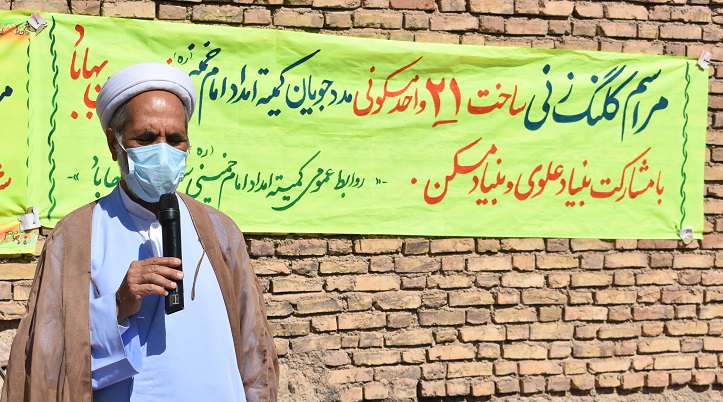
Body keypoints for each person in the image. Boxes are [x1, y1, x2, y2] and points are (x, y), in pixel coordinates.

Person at [1, 63, 279, 402]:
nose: (163, 151)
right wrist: (118, 305)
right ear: (114, 144)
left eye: (175, 139)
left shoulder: (219, 231)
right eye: (146, 139)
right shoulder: (75, 237)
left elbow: (254, 352)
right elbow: (47, 358)